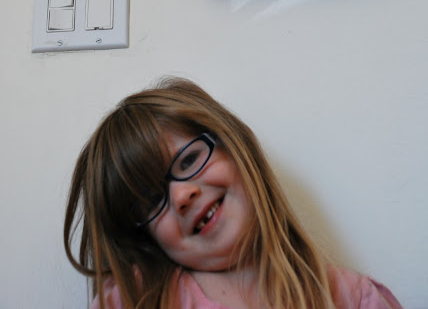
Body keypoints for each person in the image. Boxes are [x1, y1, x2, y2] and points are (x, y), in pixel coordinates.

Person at [64, 78, 404, 309]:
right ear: (148, 239)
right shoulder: (135, 300)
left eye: (189, 160)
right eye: (153, 201)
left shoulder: (353, 298)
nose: (181, 196)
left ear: (236, 147)